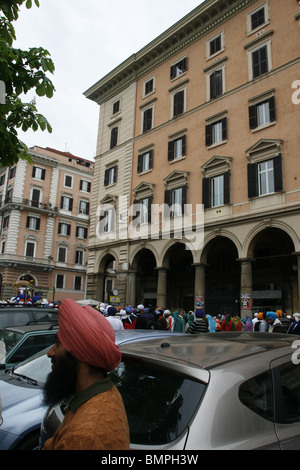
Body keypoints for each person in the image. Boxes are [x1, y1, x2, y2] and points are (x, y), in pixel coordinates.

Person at [42, 299, 130, 450]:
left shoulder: (83, 438)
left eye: (57, 344)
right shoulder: (108, 392)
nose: (51, 353)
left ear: (78, 354)